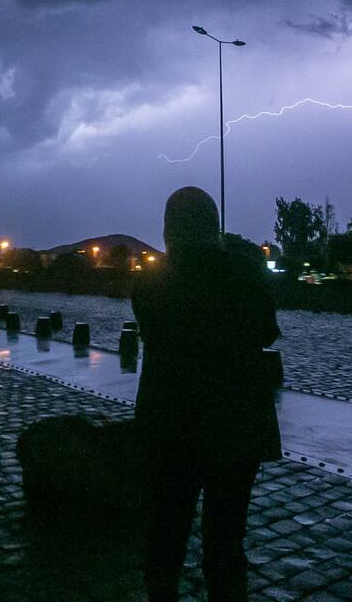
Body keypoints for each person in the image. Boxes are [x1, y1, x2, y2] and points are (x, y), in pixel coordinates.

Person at [132, 186, 281, 601]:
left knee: (166, 535)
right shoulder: (247, 274)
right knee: (226, 543)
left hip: (171, 426)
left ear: (168, 230)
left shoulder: (148, 285)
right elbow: (267, 332)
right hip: (237, 426)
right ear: (213, 225)